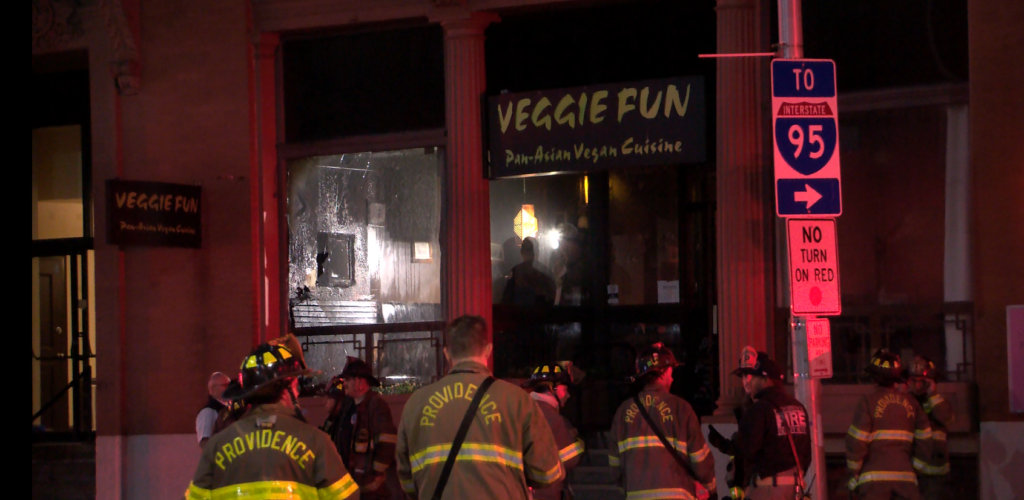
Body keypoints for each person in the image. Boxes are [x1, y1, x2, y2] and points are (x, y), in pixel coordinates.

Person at [395, 315, 564, 499]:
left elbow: (407, 482)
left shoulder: (416, 403)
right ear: (488, 350)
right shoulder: (517, 400)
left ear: (446, 353)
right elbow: (547, 473)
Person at [184, 343, 359, 500]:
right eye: (296, 387)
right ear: (288, 389)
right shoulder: (316, 442)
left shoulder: (217, 446)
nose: (297, 393)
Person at [609, 342, 717, 500]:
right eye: (670, 372)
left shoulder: (622, 412)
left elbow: (615, 468)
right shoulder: (681, 409)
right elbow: (701, 461)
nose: (672, 378)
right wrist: (711, 488)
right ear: (662, 373)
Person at [846, 349, 933, 500]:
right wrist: (913, 469)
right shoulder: (912, 403)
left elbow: (856, 442)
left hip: (873, 485)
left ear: (874, 378)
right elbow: (925, 441)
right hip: (906, 483)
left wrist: (855, 472)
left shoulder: (868, 402)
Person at [731, 347, 811, 500]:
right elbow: (806, 455)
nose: (746, 381)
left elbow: (746, 452)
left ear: (765, 379)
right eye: (743, 376)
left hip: (765, 490)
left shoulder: (759, 410)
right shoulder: (798, 408)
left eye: (750, 375)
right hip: (795, 490)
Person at [321, 357, 397, 500]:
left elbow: (387, 444)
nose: (344, 384)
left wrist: (374, 475)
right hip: (350, 487)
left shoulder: (377, 406)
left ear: (360, 382)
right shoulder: (347, 406)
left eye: (348, 380)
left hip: (370, 492)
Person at [523, 362, 585, 500]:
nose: (568, 395)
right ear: (556, 389)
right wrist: (578, 441)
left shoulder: (520, 411)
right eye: (566, 389)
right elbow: (571, 460)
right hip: (546, 494)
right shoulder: (555, 419)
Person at [906, 356, 955, 500]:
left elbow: (947, 418)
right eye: (914, 381)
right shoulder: (905, 402)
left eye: (921, 381)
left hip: (935, 474)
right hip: (911, 472)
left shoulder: (938, 401)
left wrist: (932, 394)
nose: (917, 385)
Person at [502, 236, 556, 306]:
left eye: (530, 250)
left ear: (521, 252)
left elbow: (507, 299)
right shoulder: (545, 271)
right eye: (528, 250)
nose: (530, 253)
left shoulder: (516, 271)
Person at [553, 223, 590, 306]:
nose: (563, 246)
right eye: (561, 241)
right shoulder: (559, 266)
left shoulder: (585, 266)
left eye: (567, 240)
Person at [196, 372, 231, 448]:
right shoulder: (208, 412)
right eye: (225, 385)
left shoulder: (227, 409)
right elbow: (205, 441)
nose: (229, 388)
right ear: (214, 388)